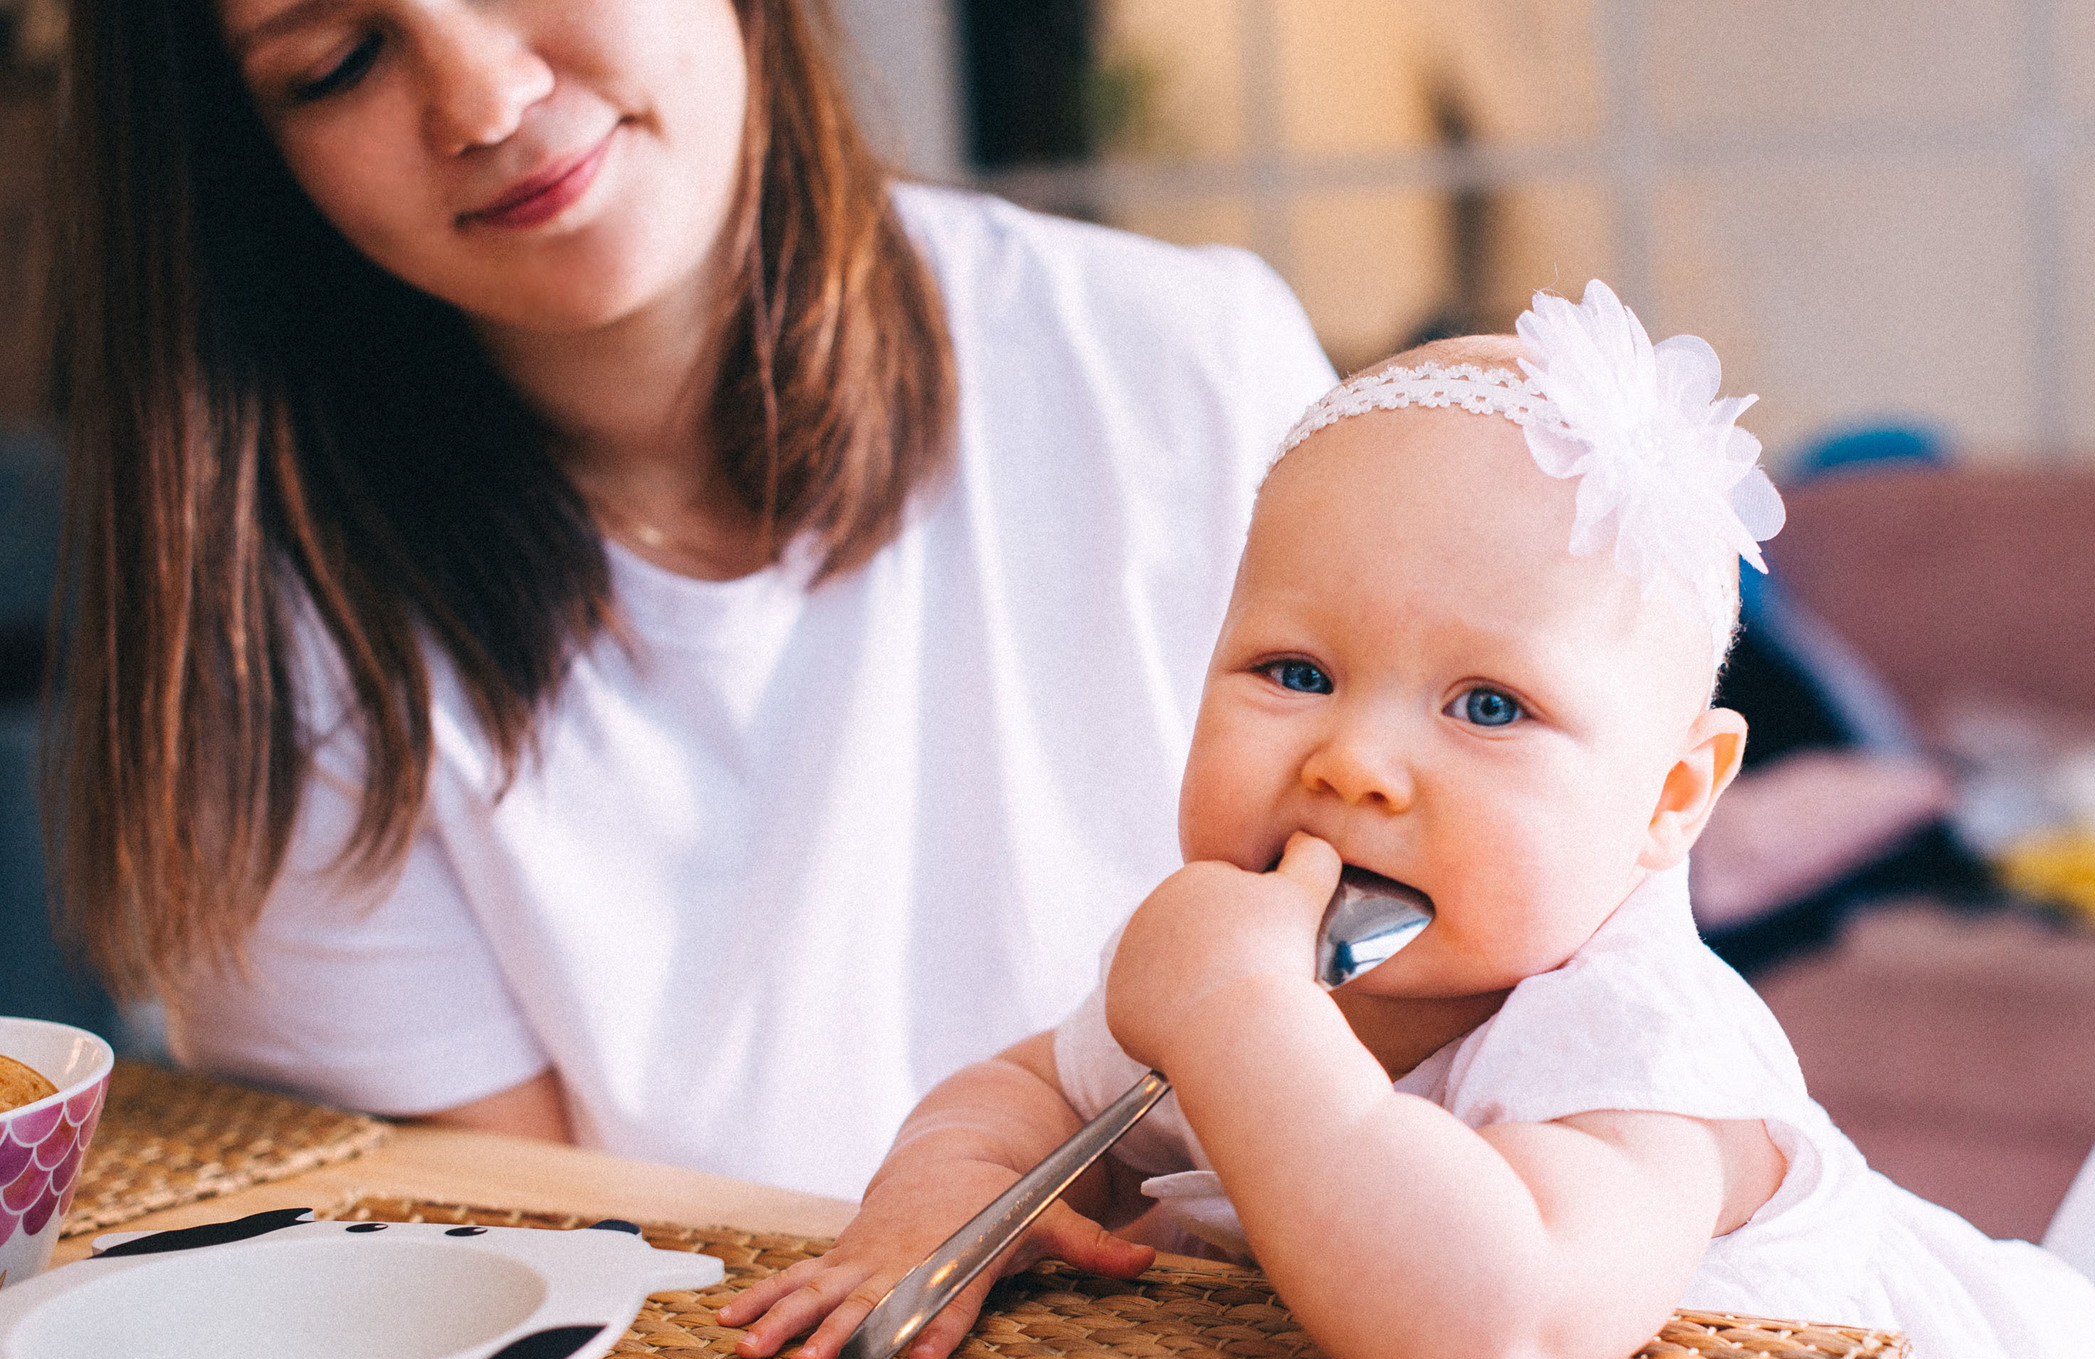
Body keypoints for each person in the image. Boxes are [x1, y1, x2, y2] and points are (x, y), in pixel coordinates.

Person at [723, 283, 2095, 1359]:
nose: (1352, 762)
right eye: (1295, 671)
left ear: (1673, 794)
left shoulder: (1641, 1050)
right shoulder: (1238, 956)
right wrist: (946, 1193)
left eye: (1488, 705)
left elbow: (1487, 1321)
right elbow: (1038, 1087)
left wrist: (1237, 1021)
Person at [49, 0, 1334, 1195]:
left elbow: (1418, 1008)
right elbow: (516, 1266)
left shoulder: (1186, 370)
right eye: (337, 63)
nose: (484, 100)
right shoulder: (269, 637)